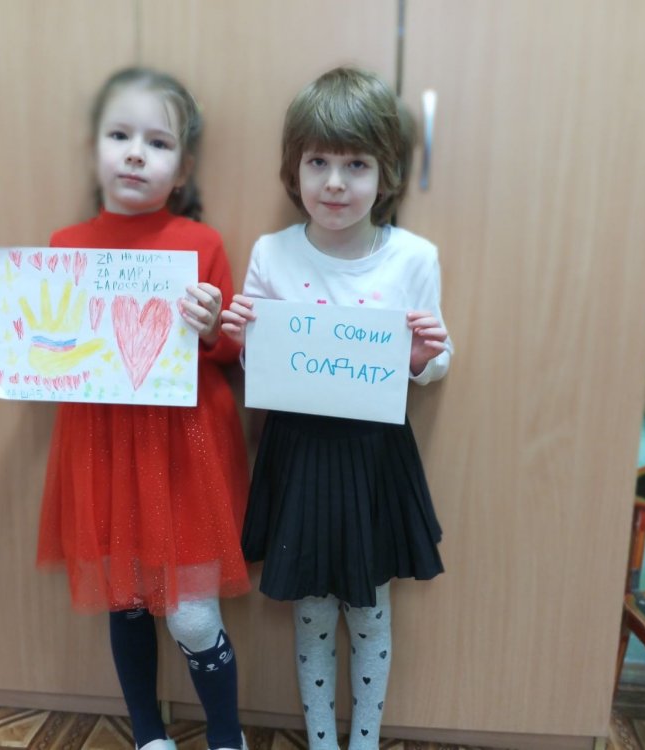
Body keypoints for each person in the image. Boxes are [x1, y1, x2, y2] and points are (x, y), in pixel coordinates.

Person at [0, 67, 249, 750]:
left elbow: (229, 351)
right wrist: (8, 340)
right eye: (119, 136)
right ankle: (149, 734)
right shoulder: (65, 246)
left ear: (182, 170)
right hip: (104, 449)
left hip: (182, 452)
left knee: (190, 614)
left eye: (158, 142)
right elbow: (54, 350)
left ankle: (227, 736)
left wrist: (214, 327)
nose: (135, 154)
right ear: (94, 150)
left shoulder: (201, 243)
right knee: (126, 599)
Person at [221, 67, 452, 750]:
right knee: (314, 610)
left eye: (356, 164)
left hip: (374, 456)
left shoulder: (413, 258)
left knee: (371, 609)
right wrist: (244, 342)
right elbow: (258, 366)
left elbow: (433, 363)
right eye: (318, 161)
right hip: (299, 454)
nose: (334, 183)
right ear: (294, 168)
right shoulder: (272, 253)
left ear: (386, 173)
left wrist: (423, 356)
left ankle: (365, 740)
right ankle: (323, 740)